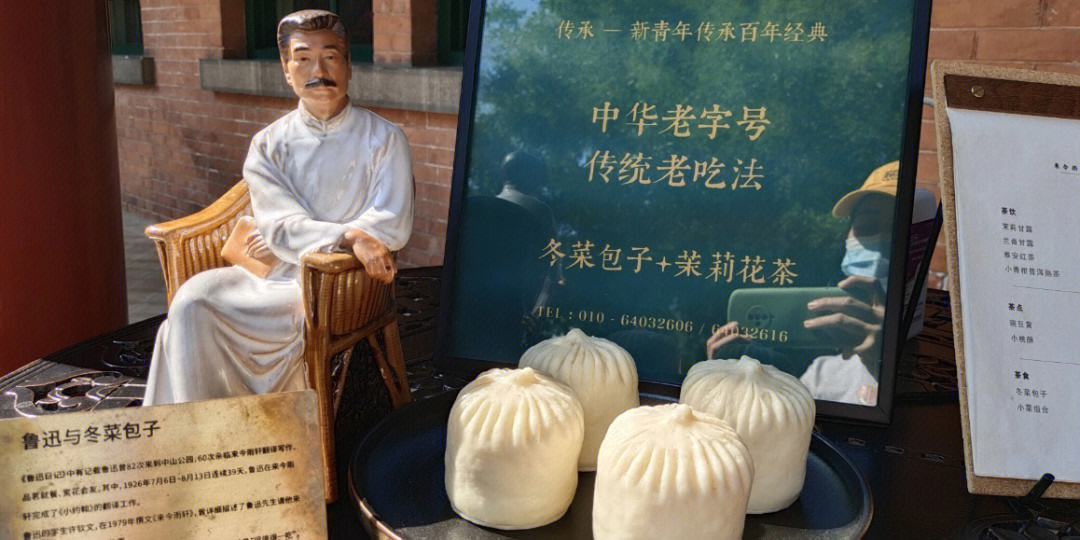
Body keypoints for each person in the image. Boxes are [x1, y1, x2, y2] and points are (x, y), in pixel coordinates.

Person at [143, 10, 413, 406]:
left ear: (349, 65)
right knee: (192, 300)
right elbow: (280, 228)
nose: (318, 70)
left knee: (207, 316)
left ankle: (270, 427)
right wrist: (349, 235)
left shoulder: (385, 139)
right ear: (287, 70)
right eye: (302, 59)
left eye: (331, 56)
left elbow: (391, 224)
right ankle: (197, 438)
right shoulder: (268, 144)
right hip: (271, 276)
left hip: (335, 284)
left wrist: (320, 242)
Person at [706, 162, 898, 406]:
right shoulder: (822, 375)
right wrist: (721, 386)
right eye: (867, 227)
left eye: (898, 230)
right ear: (847, 237)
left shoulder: (957, 366)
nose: (881, 242)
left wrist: (887, 366)